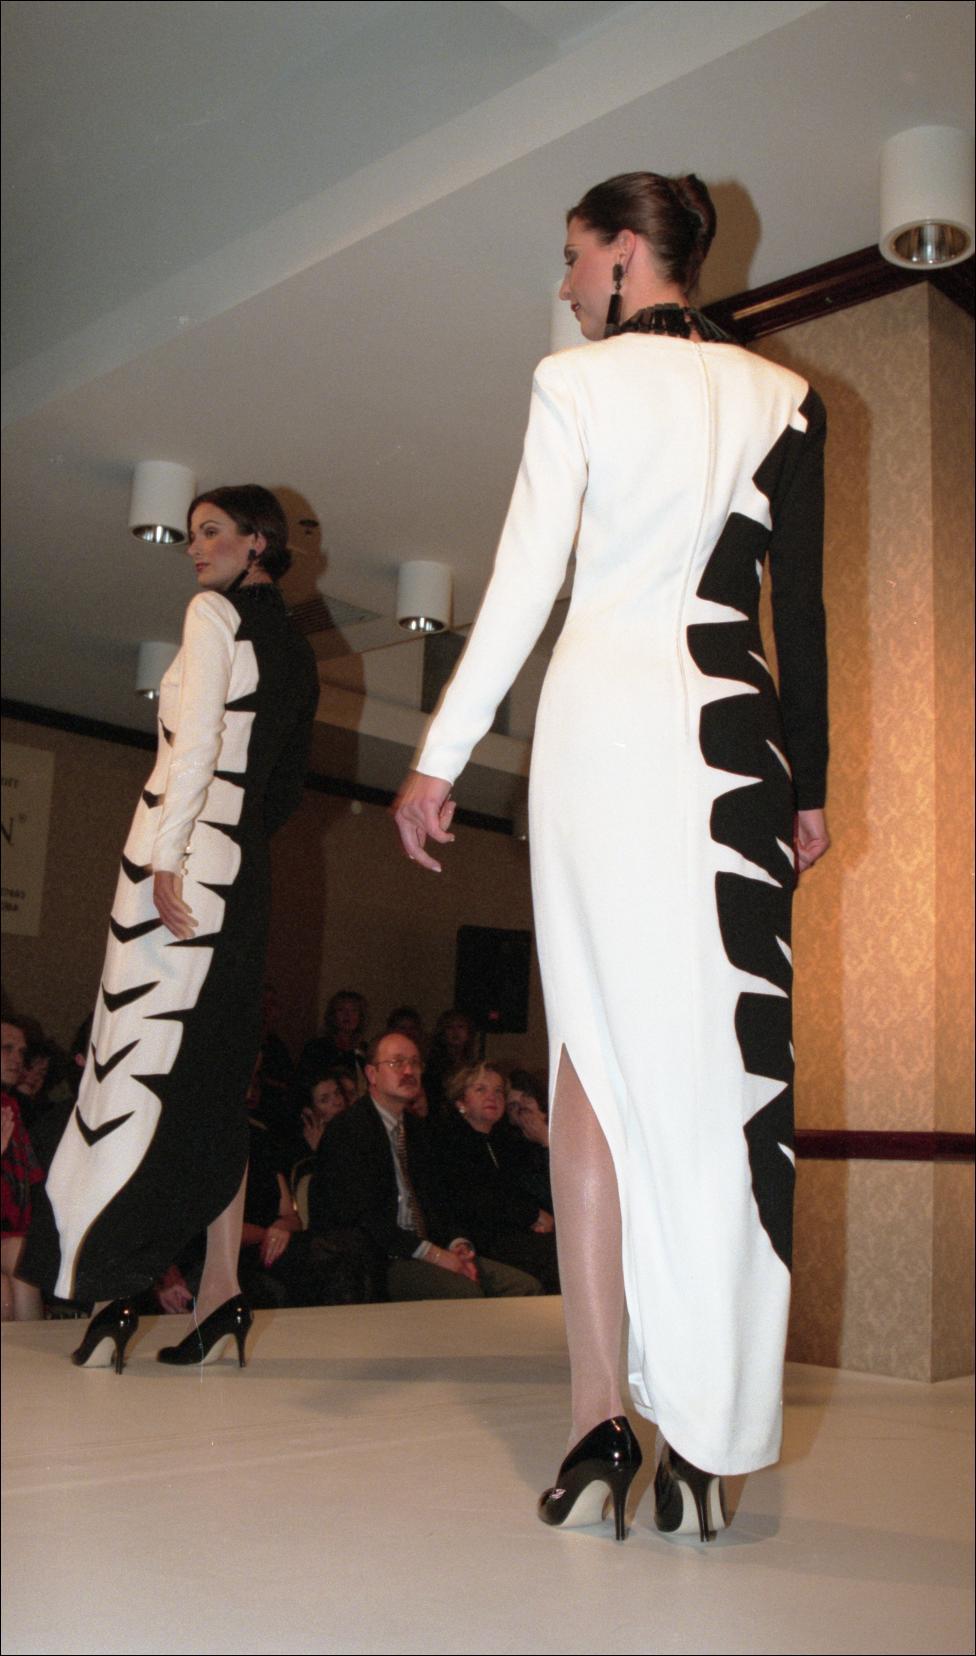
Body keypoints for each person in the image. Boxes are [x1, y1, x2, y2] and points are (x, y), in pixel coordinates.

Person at [395, 170, 829, 1543]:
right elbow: (802, 611)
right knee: (724, 1078)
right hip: (735, 751)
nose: (568, 283)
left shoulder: (573, 384)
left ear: (628, 254)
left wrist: (441, 755)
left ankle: (599, 1424)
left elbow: (528, 584)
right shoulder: (786, 397)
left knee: (588, 1066)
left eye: (576, 257)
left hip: (601, 740)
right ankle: (706, 1441)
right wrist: (809, 788)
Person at [22, 484, 319, 1370]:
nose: (196, 548)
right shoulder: (297, 650)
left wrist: (166, 858)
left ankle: (115, 1290)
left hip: (176, 858)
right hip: (239, 870)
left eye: (213, 532)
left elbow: (192, 748)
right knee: (212, 1080)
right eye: (192, 534)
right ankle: (221, 1295)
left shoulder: (211, 613)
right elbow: (285, 787)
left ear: (258, 541)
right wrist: (231, 848)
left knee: (135, 1064)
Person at [309, 1032, 543, 1301]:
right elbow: (364, 1218)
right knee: (465, 1293)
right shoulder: (349, 1130)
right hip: (379, 1257)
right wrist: (435, 1255)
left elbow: (437, 1200)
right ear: (372, 1074)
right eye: (397, 1063)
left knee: (524, 1287)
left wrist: (457, 1243)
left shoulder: (418, 1130)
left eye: (414, 1063)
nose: (409, 1071)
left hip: (427, 1246)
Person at [435, 1063, 559, 1293]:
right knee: (557, 1255)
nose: (492, 1096)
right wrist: (531, 1215)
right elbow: (476, 1199)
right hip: (480, 1238)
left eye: (498, 1091)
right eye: (481, 1089)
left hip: (514, 1232)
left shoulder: (504, 1142)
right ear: (461, 1102)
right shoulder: (450, 1141)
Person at [1, 1019, 44, 1321]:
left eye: (21, 1051)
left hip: (10, 1233)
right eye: (7, 1048)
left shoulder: (10, 1106)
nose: (17, 1059)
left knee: (20, 1255)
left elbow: (32, 1187)